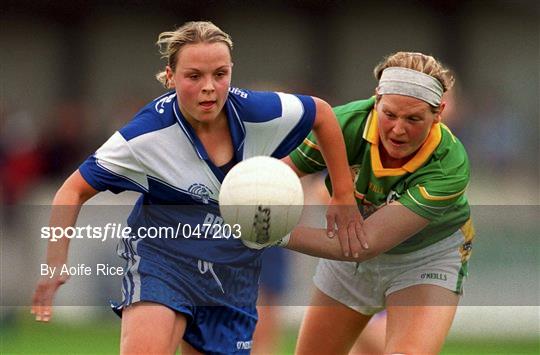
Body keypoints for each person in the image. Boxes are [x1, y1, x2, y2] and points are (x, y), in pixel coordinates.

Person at [30, 21, 362, 354]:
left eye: (220, 74)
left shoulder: (256, 111)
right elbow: (71, 190)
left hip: (230, 272)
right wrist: (55, 263)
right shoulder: (145, 136)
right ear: (170, 77)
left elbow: (321, 113)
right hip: (162, 259)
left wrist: (343, 195)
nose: (209, 87)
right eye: (194, 76)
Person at [280, 51, 474, 354]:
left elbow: (364, 243)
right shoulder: (343, 125)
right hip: (350, 258)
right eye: (390, 114)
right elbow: (282, 173)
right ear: (376, 99)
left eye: (413, 119)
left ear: (439, 113)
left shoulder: (449, 164)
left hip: (425, 258)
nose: (398, 129)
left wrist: (271, 232)